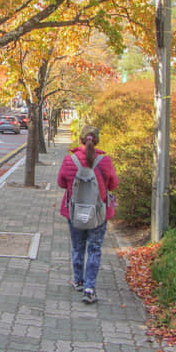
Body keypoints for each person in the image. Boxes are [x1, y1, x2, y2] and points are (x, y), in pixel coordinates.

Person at [57, 125, 118, 304]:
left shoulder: (70, 160)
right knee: (94, 249)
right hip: (98, 213)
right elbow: (113, 184)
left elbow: (61, 182)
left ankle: (78, 281)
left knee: (78, 247)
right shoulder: (104, 161)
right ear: (97, 140)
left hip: (74, 212)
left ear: (81, 139)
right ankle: (90, 288)